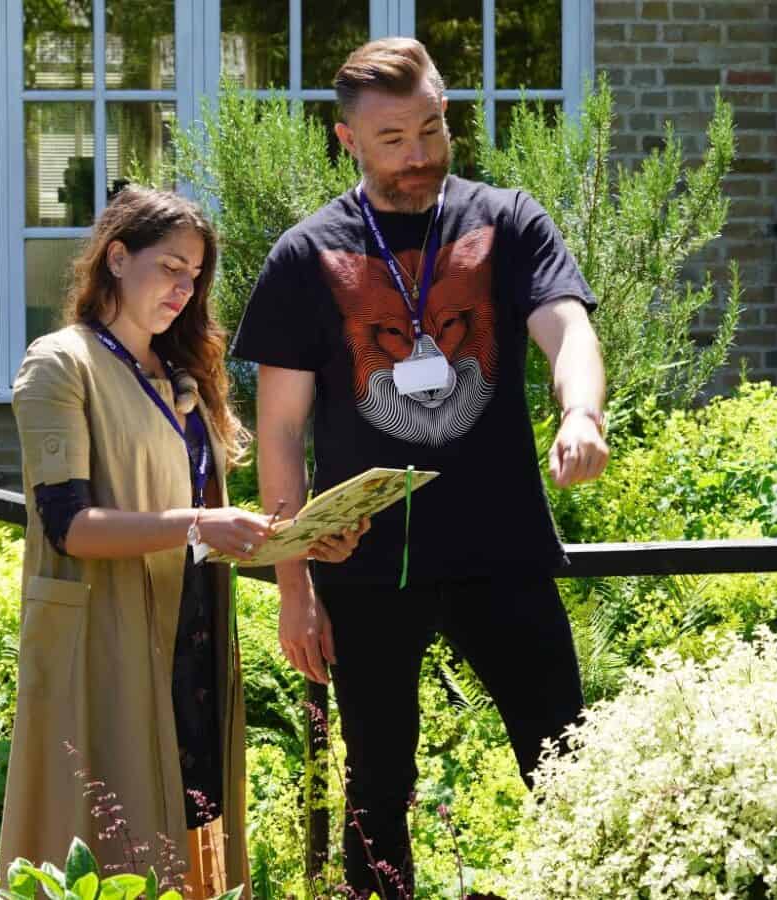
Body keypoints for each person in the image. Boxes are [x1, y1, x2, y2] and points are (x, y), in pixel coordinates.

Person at [231, 38, 611, 897]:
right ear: (347, 140)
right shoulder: (305, 254)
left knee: (569, 764)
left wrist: (581, 411)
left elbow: (567, 327)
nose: (420, 154)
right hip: (365, 567)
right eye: (395, 137)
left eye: (433, 128)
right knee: (376, 792)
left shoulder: (508, 221)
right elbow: (282, 433)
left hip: (501, 549)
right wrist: (295, 586)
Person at [1, 187, 366, 896]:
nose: (183, 288)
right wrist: (201, 525)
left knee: (197, 815)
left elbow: (198, 532)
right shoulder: (59, 365)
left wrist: (296, 539)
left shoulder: (179, 378)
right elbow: (68, 525)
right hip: (106, 644)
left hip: (191, 636)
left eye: (194, 275)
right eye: (169, 266)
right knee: (113, 835)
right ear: (115, 257)